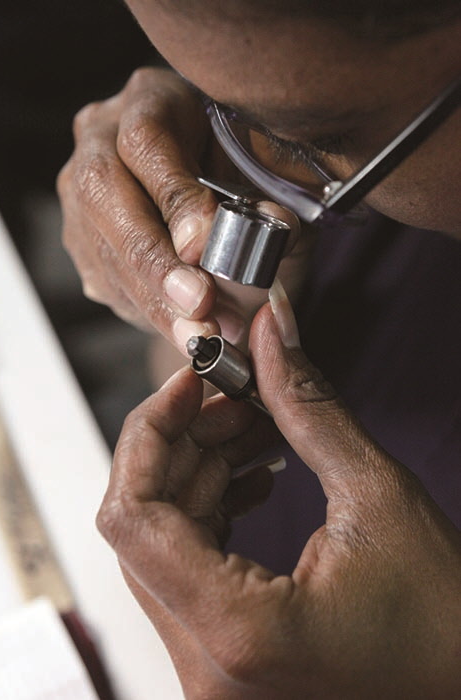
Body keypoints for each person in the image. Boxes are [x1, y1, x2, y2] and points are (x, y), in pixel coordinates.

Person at [57, 1, 461, 696]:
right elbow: (195, 381)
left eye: (302, 141)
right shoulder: (369, 189)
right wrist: (202, 310)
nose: (259, 173)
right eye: (210, 103)